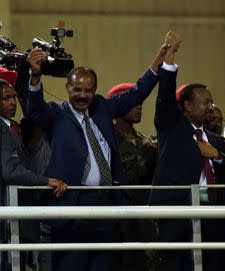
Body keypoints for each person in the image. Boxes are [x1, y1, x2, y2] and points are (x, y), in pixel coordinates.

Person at [25, 31, 175, 271]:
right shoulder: (56, 113)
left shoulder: (103, 107)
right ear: (67, 88)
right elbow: (35, 111)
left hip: (107, 205)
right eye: (77, 90)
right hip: (72, 207)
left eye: (88, 91)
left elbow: (139, 91)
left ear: (94, 90)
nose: (83, 96)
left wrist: (162, 55)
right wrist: (34, 76)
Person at [149, 33, 225, 271]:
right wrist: (168, 60)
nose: (211, 107)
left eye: (211, 102)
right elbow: (165, 98)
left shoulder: (216, 140)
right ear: (188, 106)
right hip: (177, 211)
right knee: (178, 265)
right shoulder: (171, 126)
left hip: (212, 214)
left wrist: (218, 156)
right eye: (205, 102)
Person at [0, 78, 68, 271]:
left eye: (14, 97)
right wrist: (47, 181)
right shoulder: (3, 129)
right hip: (9, 220)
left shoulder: (7, 127)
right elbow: (11, 171)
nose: (12, 102)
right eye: (6, 98)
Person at [106, 83, 159, 271]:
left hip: (146, 220)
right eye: (134, 102)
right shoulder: (106, 142)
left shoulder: (149, 144)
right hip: (118, 222)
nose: (139, 106)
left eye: (141, 103)